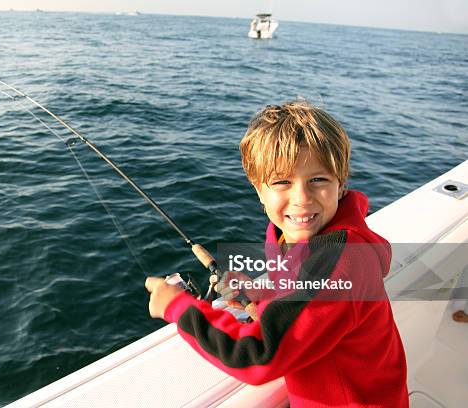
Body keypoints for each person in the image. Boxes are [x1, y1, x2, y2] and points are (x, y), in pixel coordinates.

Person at [145, 101, 408, 407]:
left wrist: (178, 308)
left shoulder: (341, 261)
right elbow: (303, 301)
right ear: (259, 190)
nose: (301, 198)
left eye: (318, 180)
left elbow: (256, 356)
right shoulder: (300, 237)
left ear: (340, 183)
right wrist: (260, 294)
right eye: (282, 182)